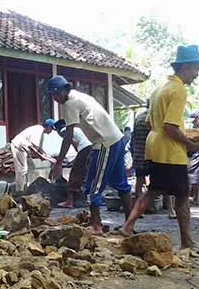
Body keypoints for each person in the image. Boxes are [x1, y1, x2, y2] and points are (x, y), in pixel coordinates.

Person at [120, 45, 199, 254]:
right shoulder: (178, 90)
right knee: (182, 195)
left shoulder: (160, 88)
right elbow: (170, 126)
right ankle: (187, 241)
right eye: (196, 69)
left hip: (155, 146)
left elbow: (155, 123)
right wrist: (191, 144)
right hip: (170, 151)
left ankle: (128, 226)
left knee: (154, 190)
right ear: (186, 67)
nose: (197, 74)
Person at [48, 75, 131, 235]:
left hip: (104, 143)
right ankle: (129, 223)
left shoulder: (70, 103)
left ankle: (95, 225)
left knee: (93, 186)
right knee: (121, 184)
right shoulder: (81, 96)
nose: (55, 98)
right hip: (117, 139)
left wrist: (58, 163)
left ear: (66, 89)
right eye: (53, 95)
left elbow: (69, 135)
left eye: (57, 94)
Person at [131, 103, 176, 218]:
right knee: (163, 182)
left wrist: (133, 154)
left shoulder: (139, 118)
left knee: (139, 183)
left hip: (138, 155)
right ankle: (170, 210)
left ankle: (138, 211)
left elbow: (133, 138)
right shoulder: (154, 119)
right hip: (152, 155)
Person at [54, 120, 92, 208]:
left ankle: (69, 201)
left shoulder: (64, 131)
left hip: (85, 148)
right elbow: (77, 148)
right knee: (84, 172)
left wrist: (59, 162)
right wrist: (74, 161)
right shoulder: (76, 129)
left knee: (75, 173)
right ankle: (86, 196)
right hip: (91, 147)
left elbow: (71, 144)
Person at [11, 119, 56, 192]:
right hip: (18, 146)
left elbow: (39, 148)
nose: (51, 131)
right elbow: (32, 147)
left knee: (31, 166)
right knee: (22, 170)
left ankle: (28, 186)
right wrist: (41, 156)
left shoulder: (41, 133)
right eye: (51, 129)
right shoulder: (38, 130)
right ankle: (19, 191)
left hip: (25, 148)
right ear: (48, 127)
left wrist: (49, 157)